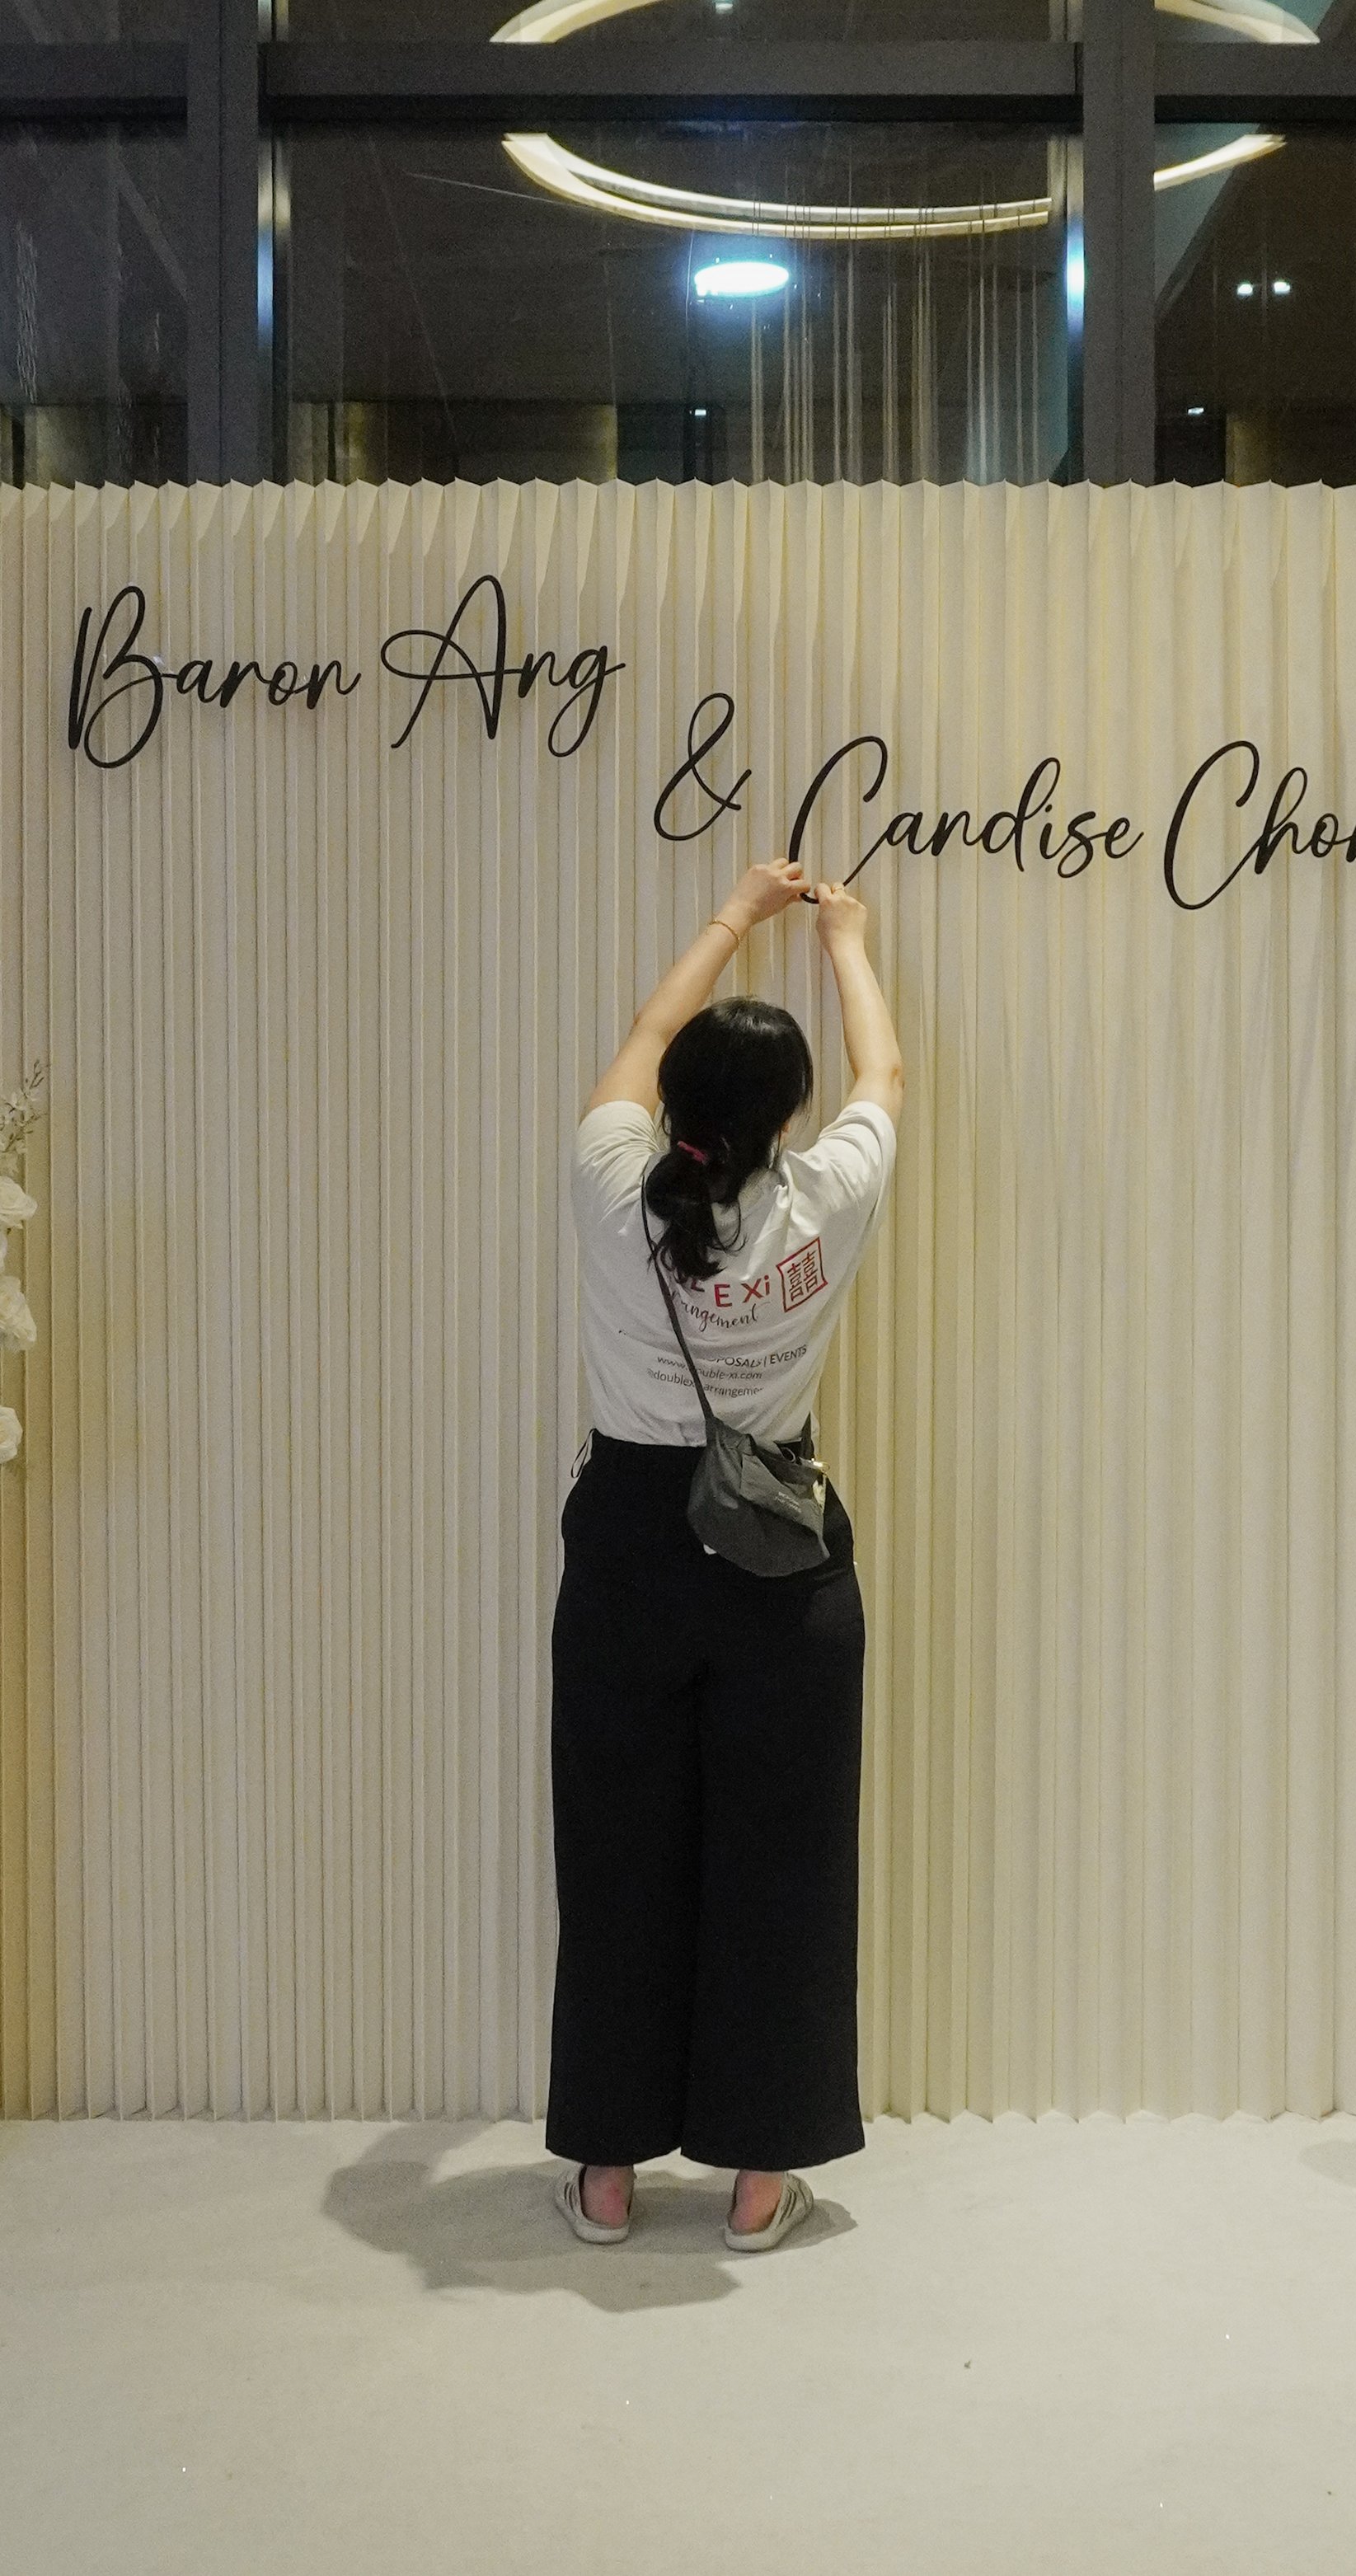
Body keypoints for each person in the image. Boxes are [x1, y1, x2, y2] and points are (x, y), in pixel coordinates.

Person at [546, 860, 903, 2252]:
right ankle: (760, 2179)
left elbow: (637, 1042)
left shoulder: (606, 1186)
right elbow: (885, 1062)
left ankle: (606, 2175)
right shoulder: (826, 1199)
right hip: (779, 1548)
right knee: (785, 1861)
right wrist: (845, 937)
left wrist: (734, 916)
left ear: (675, 1113)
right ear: (785, 1121)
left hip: (631, 1541)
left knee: (620, 1851)